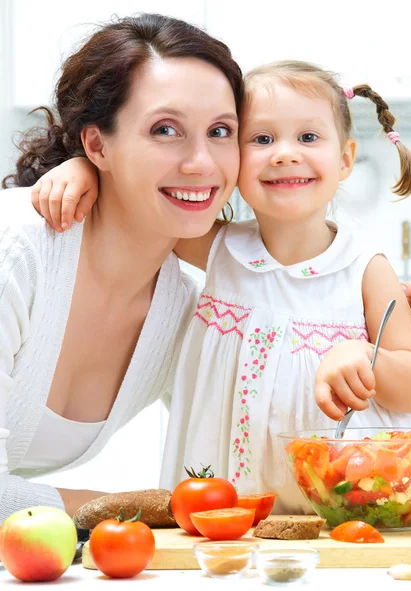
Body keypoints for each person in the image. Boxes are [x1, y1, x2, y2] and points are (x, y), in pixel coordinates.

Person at [32, 59, 411, 513]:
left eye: (308, 137)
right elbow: (134, 205)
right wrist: (83, 171)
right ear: (236, 159)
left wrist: (366, 356)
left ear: (344, 159)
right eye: (262, 139)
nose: (285, 153)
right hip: (226, 509)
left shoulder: (365, 267)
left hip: (346, 504)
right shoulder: (216, 248)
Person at [0, 12, 244, 523]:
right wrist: (138, 512)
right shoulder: (17, 254)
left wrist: (370, 316)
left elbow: (244, 452)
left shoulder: (182, 310)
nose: (201, 161)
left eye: (221, 131)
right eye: (165, 129)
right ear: (96, 145)